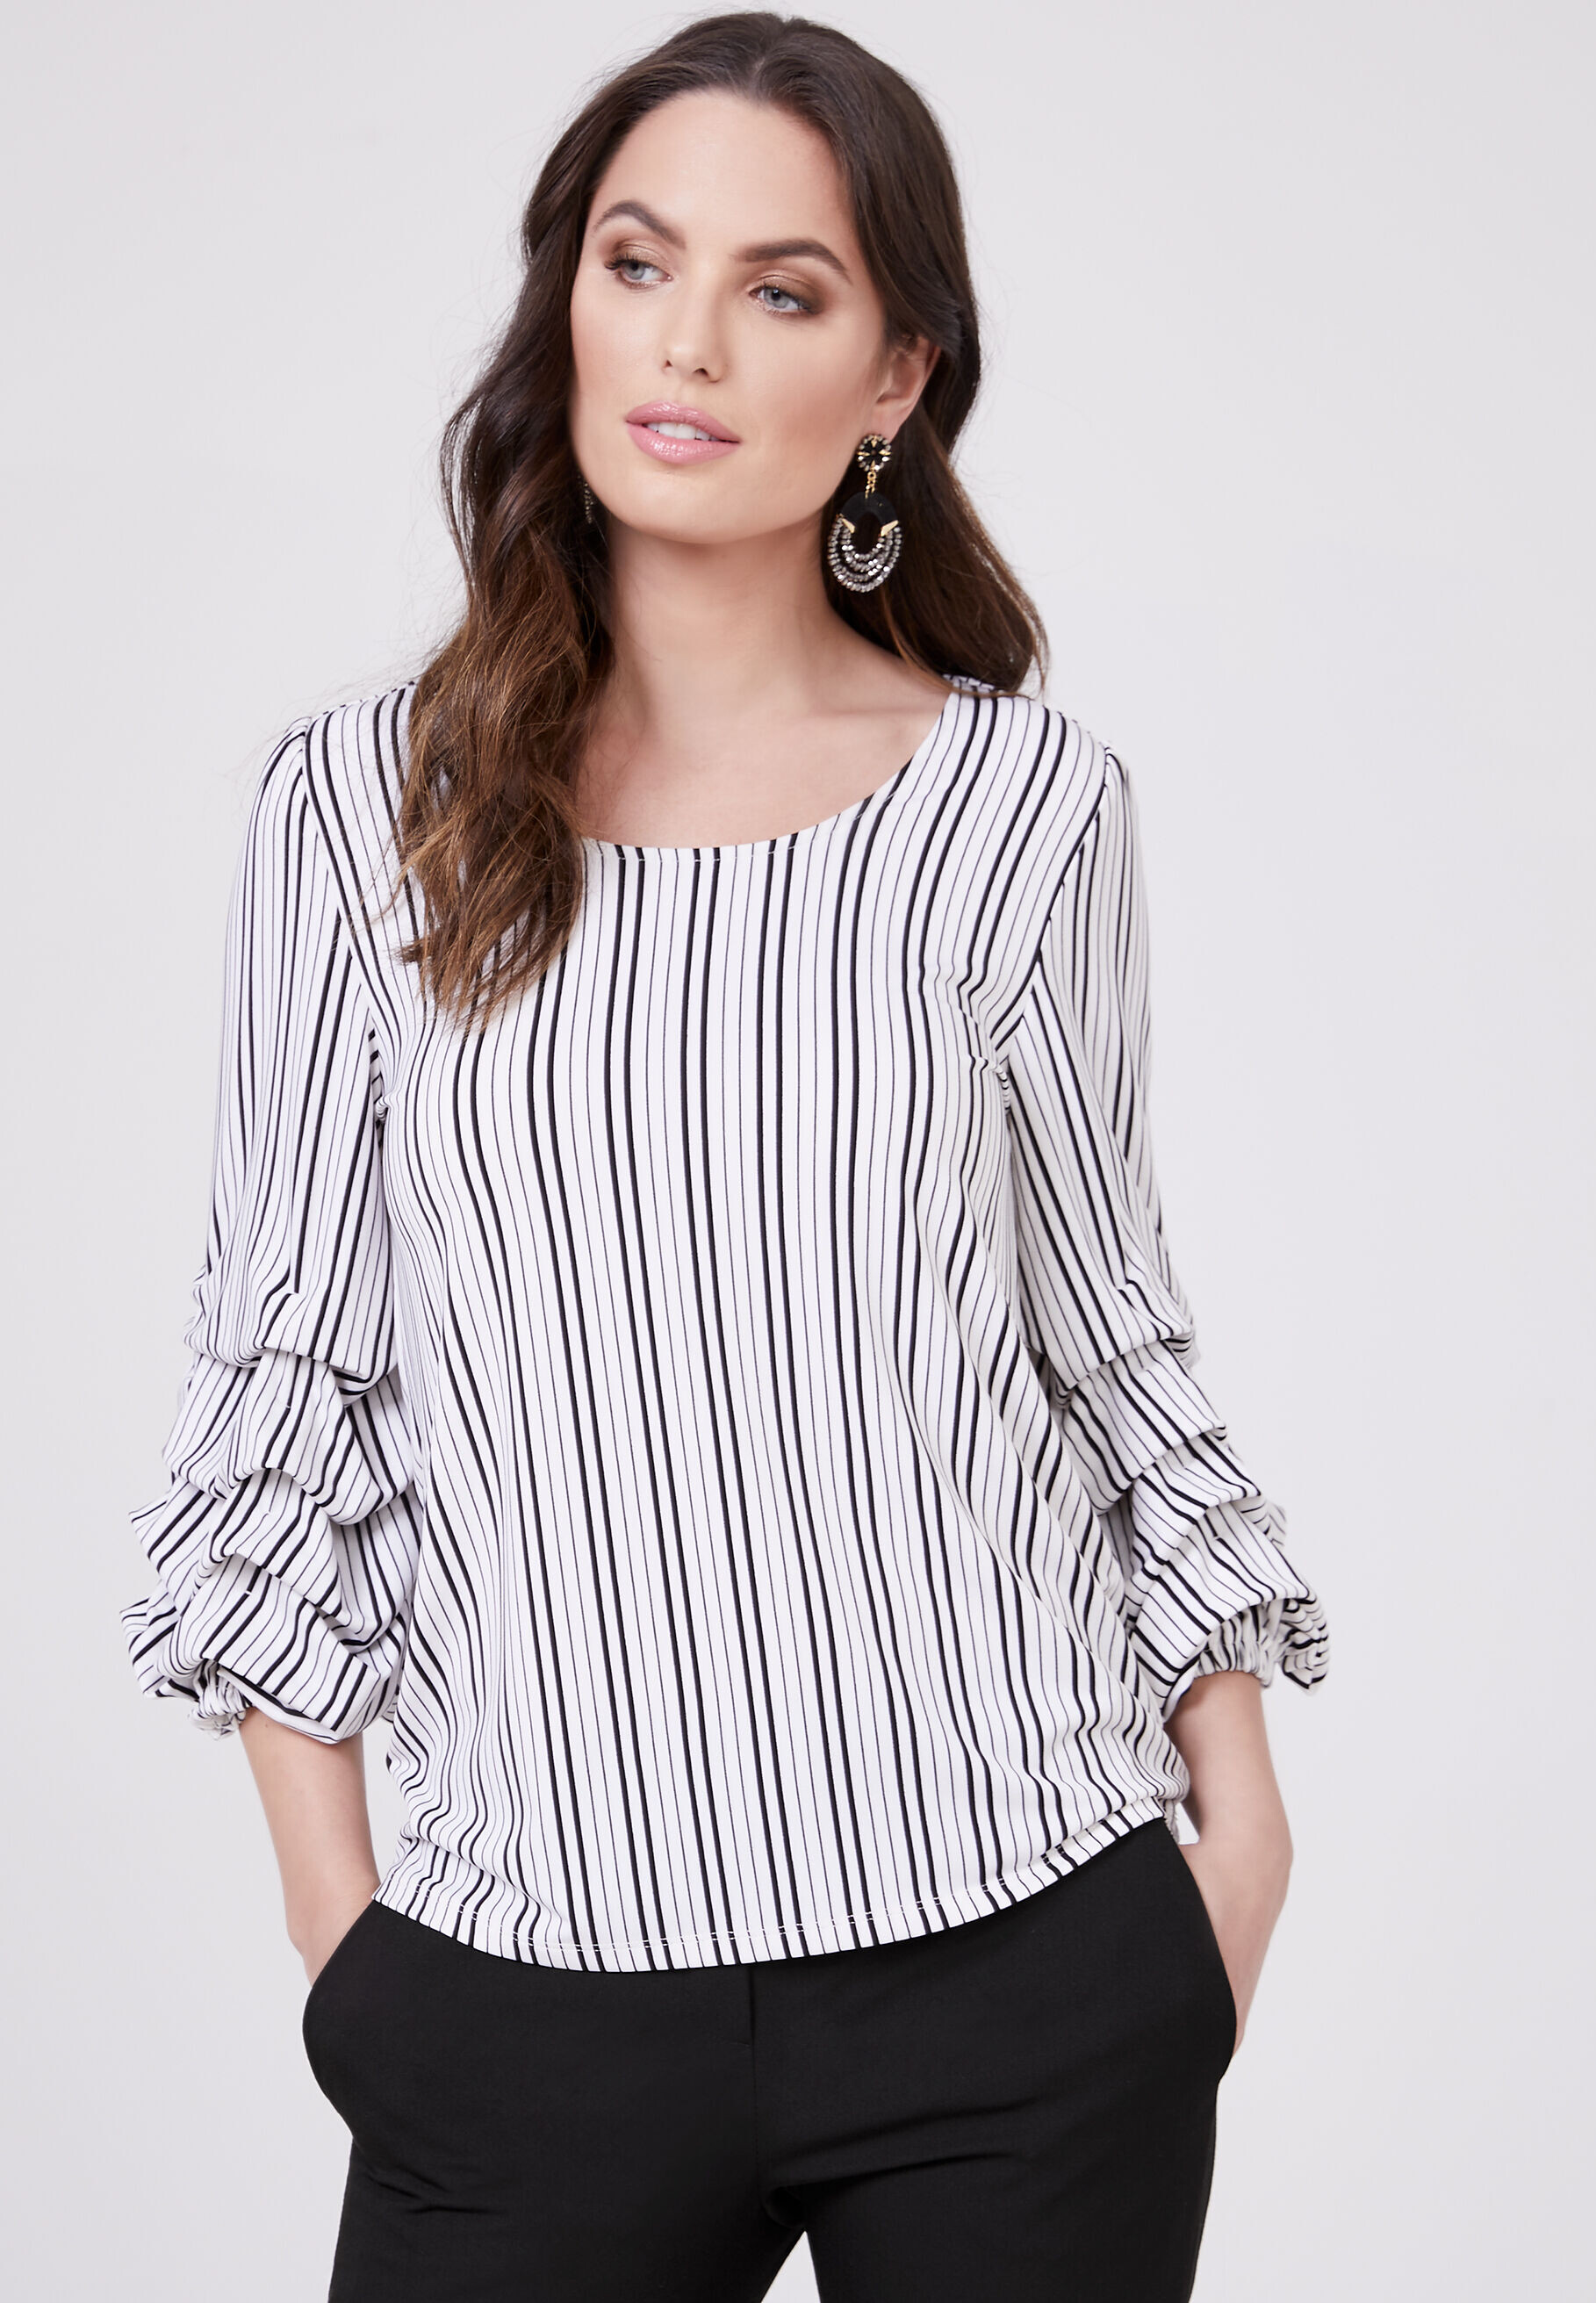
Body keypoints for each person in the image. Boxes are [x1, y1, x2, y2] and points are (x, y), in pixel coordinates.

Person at [122, 14, 1328, 2299]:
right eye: (637, 260)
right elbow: (282, 1373)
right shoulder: (362, 813)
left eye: (784, 289)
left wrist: (1235, 1837)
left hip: (1019, 1965)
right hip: (523, 1989)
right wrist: (340, 1929)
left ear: (895, 377)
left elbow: (1108, 1334)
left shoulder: (1022, 814)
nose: (686, 342)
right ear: (567, 296)